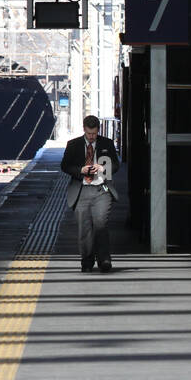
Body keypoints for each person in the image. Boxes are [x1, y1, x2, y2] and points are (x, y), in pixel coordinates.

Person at [61, 116, 121, 273]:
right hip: (81, 190)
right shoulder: (73, 145)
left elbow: (116, 165)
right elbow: (65, 166)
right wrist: (81, 170)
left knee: (101, 222)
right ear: (84, 130)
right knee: (84, 227)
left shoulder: (107, 143)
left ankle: (104, 259)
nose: (91, 137)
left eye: (94, 133)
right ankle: (87, 260)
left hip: (102, 189)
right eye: (89, 134)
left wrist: (103, 168)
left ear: (98, 130)